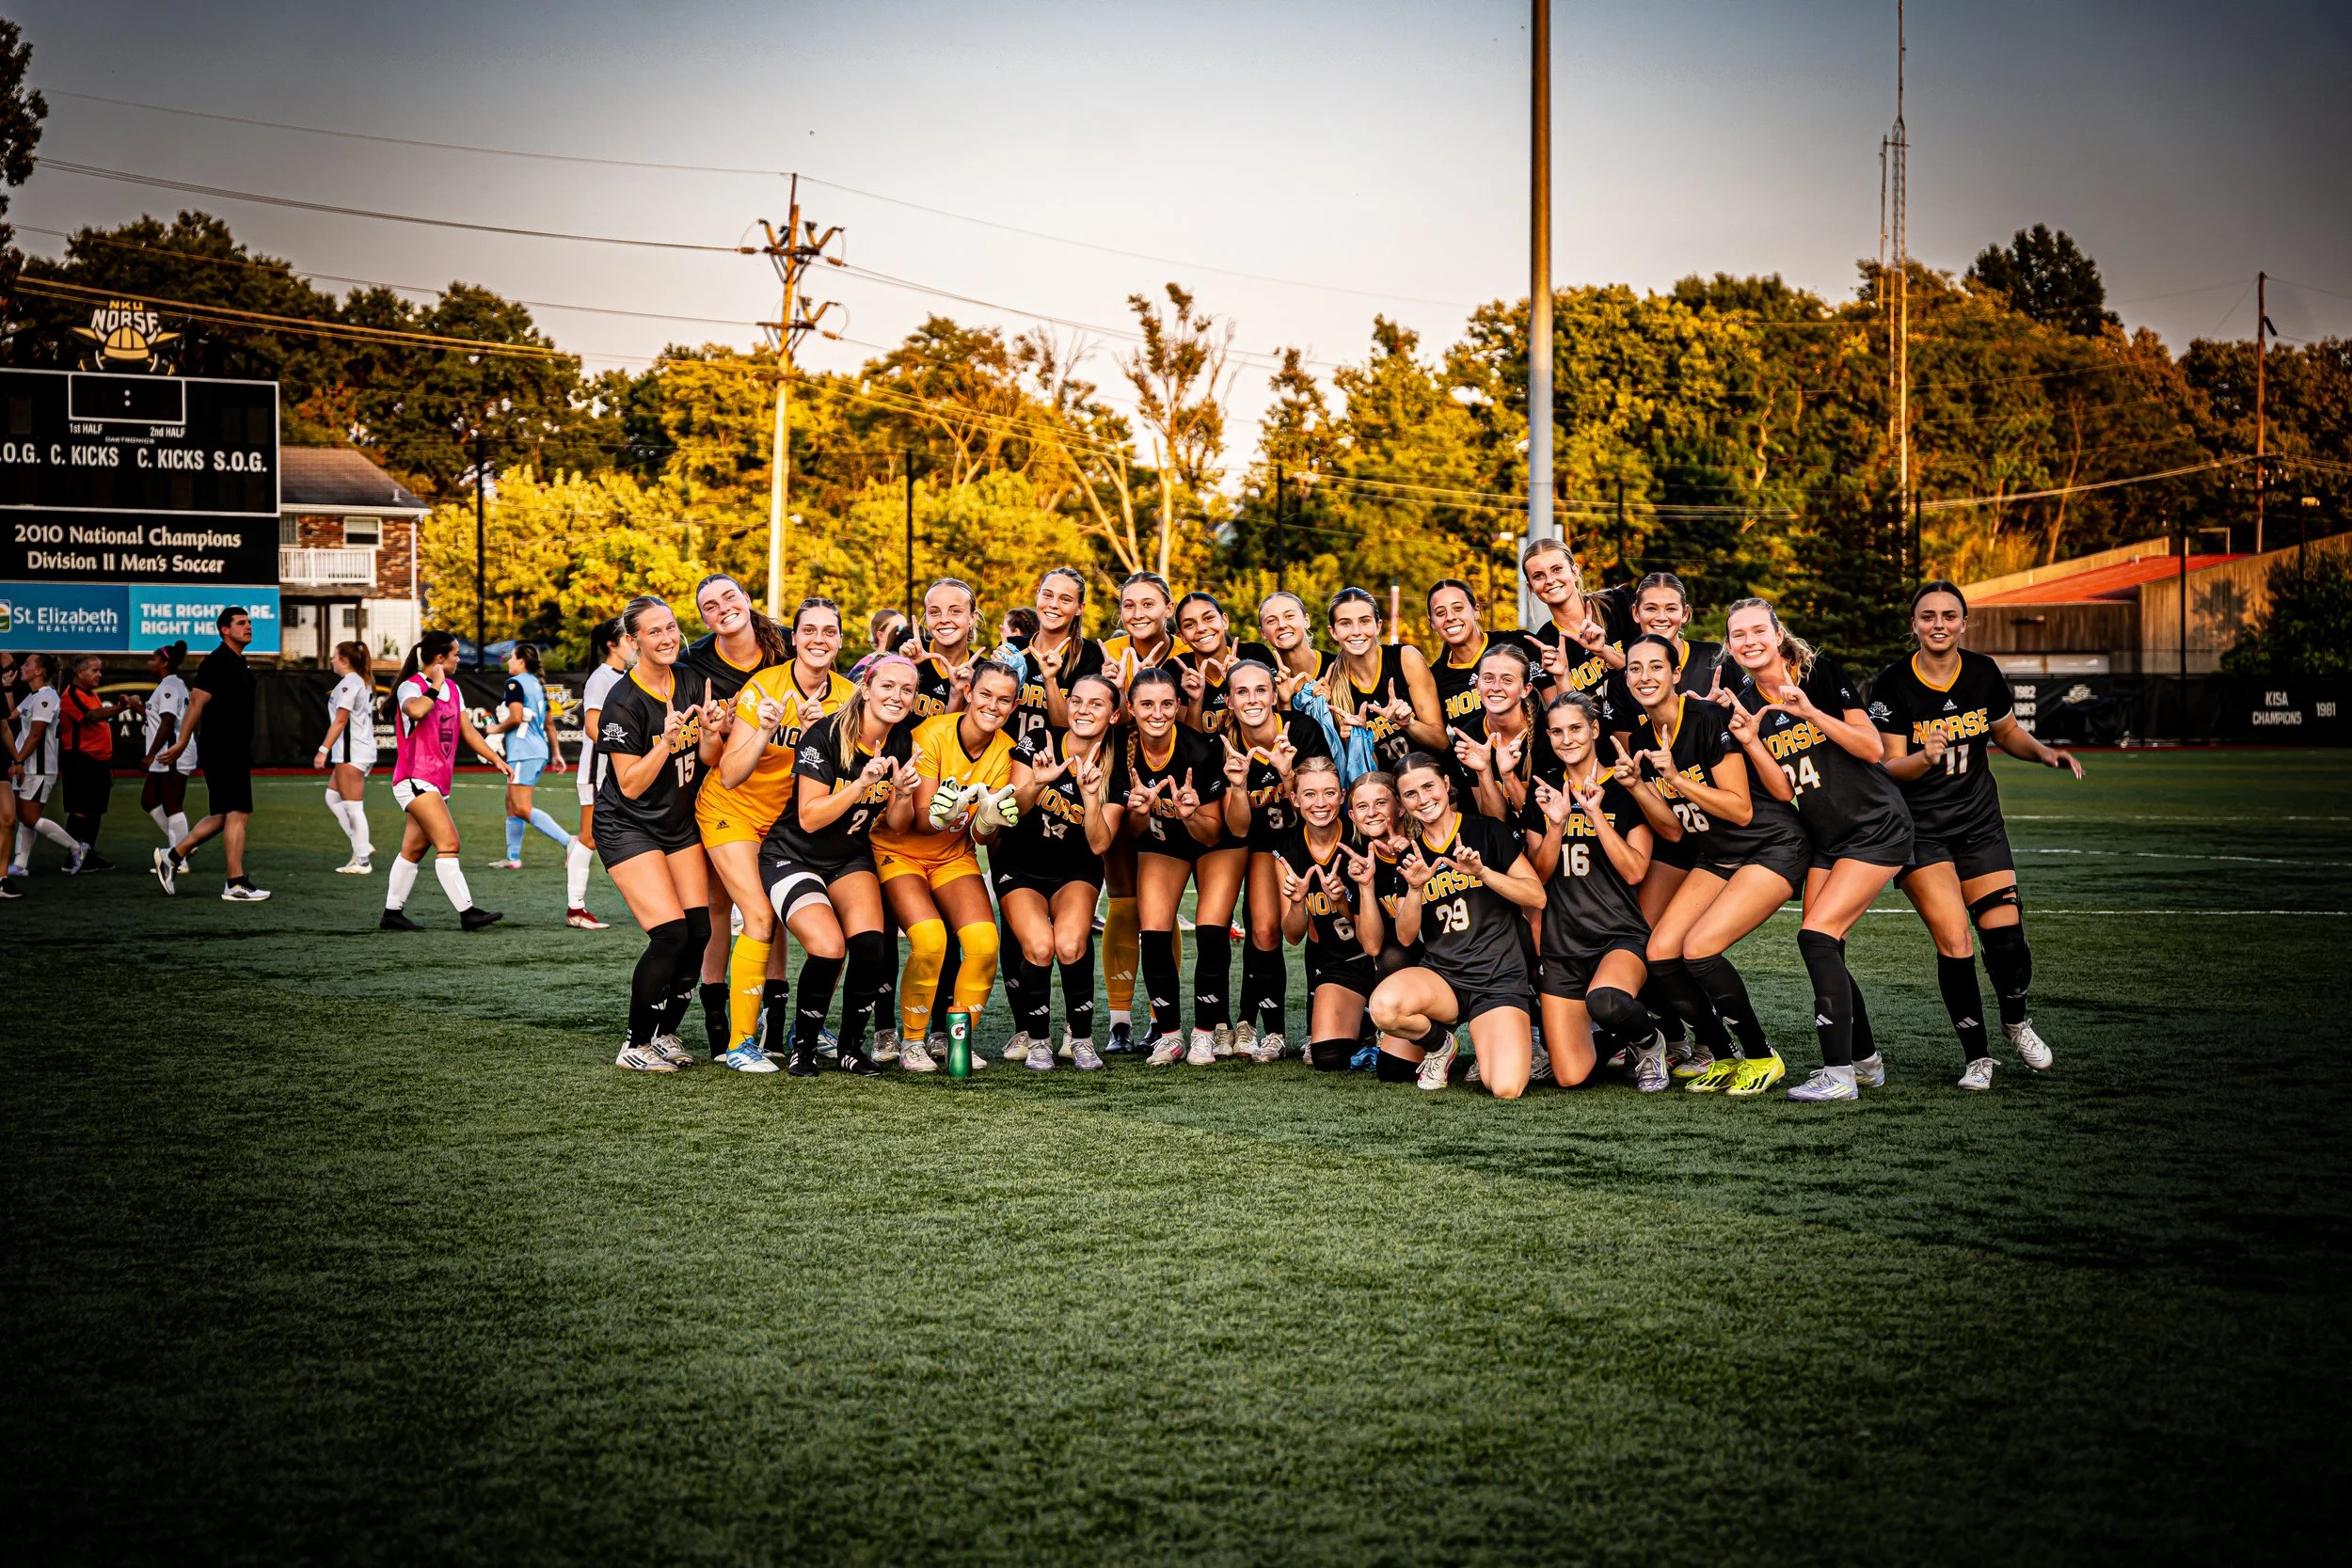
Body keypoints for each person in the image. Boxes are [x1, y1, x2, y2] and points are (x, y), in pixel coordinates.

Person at [1871, 581, 2083, 1089]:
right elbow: (1887, 767)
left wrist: (2045, 752)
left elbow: (2006, 733)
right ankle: (1977, 1058)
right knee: (1957, 941)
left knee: (2006, 940)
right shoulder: (1892, 683)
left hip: (1979, 824)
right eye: (1927, 616)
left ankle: (2017, 1021)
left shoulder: (1984, 672)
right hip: (1921, 833)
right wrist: (1923, 757)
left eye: (1949, 615)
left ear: (1964, 623)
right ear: (1914, 624)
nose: (1938, 624)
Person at [1721, 598, 1914, 1102]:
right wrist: (1751, 740)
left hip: (1875, 824)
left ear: (1777, 632)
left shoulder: (1819, 673)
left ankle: (1839, 1075)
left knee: (1816, 936)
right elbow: (1784, 792)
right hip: (1829, 838)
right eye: (1738, 634)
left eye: (1758, 630)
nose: (1749, 641)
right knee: (1827, 946)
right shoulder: (1746, 699)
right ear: (1729, 645)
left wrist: (1809, 712)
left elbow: (1872, 749)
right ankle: (1865, 1061)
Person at [1613, 633, 1806, 1096]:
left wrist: (1677, 779)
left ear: (1676, 673)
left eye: (1656, 667)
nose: (1645, 677)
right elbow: (1675, 831)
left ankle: (1762, 1055)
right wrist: (1641, 786)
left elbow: (1740, 808)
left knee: (1699, 948)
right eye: (1634, 668)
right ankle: (1722, 1053)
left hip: (1770, 845)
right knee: (1660, 953)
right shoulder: (1642, 737)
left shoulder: (1706, 718)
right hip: (1718, 853)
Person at [751, 655, 925, 1075]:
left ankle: (849, 1047)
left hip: (848, 856)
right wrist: (863, 784)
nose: (896, 696)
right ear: (866, 688)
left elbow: (899, 827)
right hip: (793, 854)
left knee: (871, 947)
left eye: (907, 690)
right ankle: (803, 1045)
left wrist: (900, 794)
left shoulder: (901, 741)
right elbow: (809, 817)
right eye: (887, 686)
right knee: (829, 949)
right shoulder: (824, 734)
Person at [702, 597, 854, 1067]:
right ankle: (739, 1044)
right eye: (809, 630)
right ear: (795, 637)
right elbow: (729, 774)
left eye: (829, 632)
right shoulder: (764, 686)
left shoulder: (849, 696)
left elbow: (847, 772)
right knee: (760, 917)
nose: (818, 640)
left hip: (790, 826)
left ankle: (796, 1024)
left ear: (841, 641)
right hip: (734, 812)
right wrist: (766, 729)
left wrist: (819, 736)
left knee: (835, 928)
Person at [596, 594, 731, 1073]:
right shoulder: (623, 702)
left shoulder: (692, 679)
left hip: (677, 825)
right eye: (654, 632)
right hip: (627, 826)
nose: (668, 637)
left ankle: (665, 1034)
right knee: (670, 933)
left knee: (699, 931)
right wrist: (668, 742)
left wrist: (715, 729)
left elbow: (711, 757)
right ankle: (635, 1043)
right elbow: (630, 785)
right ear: (633, 642)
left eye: (671, 627)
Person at [869, 659, 1024, 1072]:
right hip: (899, 849)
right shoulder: (932, 734)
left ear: (1014, 705)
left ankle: (957, 1038)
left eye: (1004, 699)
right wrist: (946, 812)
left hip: (953, 856)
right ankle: (913, 1041)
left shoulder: (1006, 751)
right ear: (969, 692)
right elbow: (921, 822)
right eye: (986, 694)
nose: (993, 705)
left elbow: (981, 837)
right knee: (931, 938)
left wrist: (989, 822)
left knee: (983, 944)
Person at [1368, 752, 1548, 1096]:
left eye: (1429, 787)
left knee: (1506, 1087)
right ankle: (1441, 1045)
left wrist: (1482, 873)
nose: (1423, 799)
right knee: (1384, 1007)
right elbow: (1406, 937)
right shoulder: (1411, 854)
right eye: (1411, 794)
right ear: (1402, 804)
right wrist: (1416, 888)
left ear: (1446, 785)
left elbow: (1536, 896)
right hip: (1444, 978)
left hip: (1497, 978)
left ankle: (1498, 1041)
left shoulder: (1485, 830)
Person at [684, 574, 792, 1058]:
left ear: (747, 601)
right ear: (704, 618)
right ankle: (715, 1011)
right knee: (717, 905)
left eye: (730, 596)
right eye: (710, 605)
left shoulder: (788, 646)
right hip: (726, 800)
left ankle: (774, 1014)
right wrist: (716, 733)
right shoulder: (696, 664)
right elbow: (709, 756)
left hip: (784, 800)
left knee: (777, 911)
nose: (723, 608)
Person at [1528, 692, 1659, 1089]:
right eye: (1556, 731)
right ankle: (1609, 1037)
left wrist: (1595, 814)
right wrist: (1556, 825)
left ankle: (1649, 1043)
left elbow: (1636, 870)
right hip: (1563, 943)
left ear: (1595, 729)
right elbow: (1538, 876)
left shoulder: (1624, 787)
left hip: (1617, 934)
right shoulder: (1544, 790)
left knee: (1607, 1000)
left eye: (1575, 729)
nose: (1566, 739)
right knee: (1570, 1077)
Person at [1116, 667, 1243, 1066]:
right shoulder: (1118, 747)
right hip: (1162, 842)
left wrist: (1188, 814)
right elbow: (1134, 830)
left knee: (1209, 930)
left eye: (1167, 703)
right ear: (1131, 708)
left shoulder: (1199, 751)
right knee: (1152, 932)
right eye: (1147, 704)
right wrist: (1138, 810)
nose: (1158, 712)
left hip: (1214, 841)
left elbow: (1212, 832)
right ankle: (1169, 1035)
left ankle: (1205, 1032)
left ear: (1178, 706)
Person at [997, 671, 1123, 1070]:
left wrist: (1089, 796)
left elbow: (1100, 843)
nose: (1083, 709)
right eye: (1077, 701)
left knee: (1070, 945)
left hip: (1075, 869)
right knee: (1039, 946)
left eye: (1096, 703)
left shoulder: (1117, 763)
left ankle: (1080, 1038)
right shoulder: (1040, 740)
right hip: (1019, 865)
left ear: (1114, 715)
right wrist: (1038, 782)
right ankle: (1036, 1041)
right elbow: (1011, 813)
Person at [1223, 658, 1330, 1060]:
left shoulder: (1301, 730)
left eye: (1260, 690)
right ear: (1230, 702)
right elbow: (1236, 827)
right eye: (1242, 692)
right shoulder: (1226, 740)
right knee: (1265, 931)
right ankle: (1274, 1031)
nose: (1253, 699)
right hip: (1261, 845)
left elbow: (1321, 806)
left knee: (1314, 930)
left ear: (1273, 694)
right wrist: (1236, 787)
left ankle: (1322, 1028)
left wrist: (1287, 777)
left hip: (1309, 838)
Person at [377, 631, 509, 934]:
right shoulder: (412, 686)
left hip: (436, 782)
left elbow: (468, 732)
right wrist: (434, 684)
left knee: (412, 851)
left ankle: (392, 914)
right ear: (439, 660)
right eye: (454, 655)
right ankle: (467, 913)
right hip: (414, 779)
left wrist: (495, 758)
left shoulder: (454, 688)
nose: (459, 659)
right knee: (449, 843)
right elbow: (417, 710)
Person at [1274, 756, 1386, 1070]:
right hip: (1338, 962)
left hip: (1383, 958)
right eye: (1309, 794)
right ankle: (1363, 1024)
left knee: (1397, 1062)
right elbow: (1293, 936)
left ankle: (1381, 1016)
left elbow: (1373, 940)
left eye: (1329, 793)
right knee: (1326, 1058)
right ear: (1294, 799)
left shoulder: (1363, 838)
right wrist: (1297, 902)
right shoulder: (1288, 851)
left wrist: (1342, 904)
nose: (1320, 803)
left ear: (1342, 795)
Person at [151, 608, 269, 902]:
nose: (248, 627)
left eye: (250, 622)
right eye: (241, 623)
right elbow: (195, 704)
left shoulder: (239, 663)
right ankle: (235, 883)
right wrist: (181, 742)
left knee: (222, 816)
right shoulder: (216, 662)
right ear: (224, 630)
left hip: (234, 748)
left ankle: (172, 857)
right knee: (238, 812)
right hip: (223, 748)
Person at [1316, 588, 1443, 773]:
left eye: (1364, 621)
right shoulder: (1334, 686)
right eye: (1345, 624)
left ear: (1378, 625)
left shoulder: (1405, 659)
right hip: (1384, 792)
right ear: (1333, 632)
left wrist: (1408, 723)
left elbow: (1440, 742)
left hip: (1434, 781)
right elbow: (1359, 772)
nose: (1356, 631)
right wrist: (1359, 741)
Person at [485, 643, 582, 884]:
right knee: (511, 804)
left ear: (520, 661)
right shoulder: (537, 686)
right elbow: (549, 724)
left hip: (524, 753)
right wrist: (556, 753)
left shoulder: (514, 683)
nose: (508, 662)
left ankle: (569, 842)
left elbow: (516, 717)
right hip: (535, 751)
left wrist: (494, 728)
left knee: (520, 806)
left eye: (511, 658)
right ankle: (513, 857)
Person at [565, 617, 630, 929]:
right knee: (589, 837)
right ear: (611, 644)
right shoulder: (601, 678)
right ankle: (575, 909)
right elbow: (593, 728)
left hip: (619, 770)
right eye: (628, 638)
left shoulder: (625, 676)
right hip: (598, 770)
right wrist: (627, 745)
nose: (634, 643)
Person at [1520, 537, 1638, 699]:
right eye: (1539, 576)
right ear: (1531, 587)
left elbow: (1652, 673)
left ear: (1575, 571)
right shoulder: (1542, 647)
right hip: (1593, 724)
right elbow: (1563, 718)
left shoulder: (1615, 604)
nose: (1550, 580)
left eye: (1557, 569)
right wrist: (1561, 676)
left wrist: (1604, 652)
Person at [58, 655, 138, 871]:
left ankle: (87, 854)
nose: (99, 675)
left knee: (94, 811)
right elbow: (92, 716)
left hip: (97, 762)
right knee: (81, 810)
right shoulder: (71, 694)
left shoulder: (90, 693)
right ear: (79, 672)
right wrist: (123, 707)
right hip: (80, 760)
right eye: (94, 670)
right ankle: (73, 856)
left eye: (100, 670)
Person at [1425, 578, 1541, 728]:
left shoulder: (1520, 643)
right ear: (1432, 623)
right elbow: (1438, 739)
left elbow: (1556, 703)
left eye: (1458, 608)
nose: (1450, 617)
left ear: (1476, 610)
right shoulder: (1435, 679)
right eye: (1440, 613)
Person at [8, 654, 81, 876]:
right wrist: (6, 688)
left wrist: (18, 760)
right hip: (26, 764)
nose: (22, 667)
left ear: (39, 671)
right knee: (24, 816)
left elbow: (36, 734)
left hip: (38, 766)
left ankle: (77, 847)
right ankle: (20, 865)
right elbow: (10, 715)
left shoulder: (46, 696)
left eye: (27, 664)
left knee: (29, 817)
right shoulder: (33, 696)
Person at [314, 641, 379, 874]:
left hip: (353, 753)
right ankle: (360, 845)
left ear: (344, 660)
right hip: (355, 751)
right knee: (332, 797)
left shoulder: (350, 683)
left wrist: (323, 750)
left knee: (353, 807)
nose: (332, 660)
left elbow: (341, 721)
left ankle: (362, 860)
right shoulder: (358, 681)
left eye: (334, 656)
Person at [1171, 591, 1273, 736]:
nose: (1201, 628)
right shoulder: (1176, 670)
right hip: (1206, 759)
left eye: (1208, 618)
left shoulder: (1256, 655)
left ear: (1224, 620)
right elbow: (1190, 748)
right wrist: (1195, 700)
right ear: (1182, 637)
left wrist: (1240, 680)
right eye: (1189, 625)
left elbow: (1273, 724)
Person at [139, 641, 197, 860]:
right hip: (165, 754)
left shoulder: (170, 686)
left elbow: (167, 722)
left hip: (171, 753)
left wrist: (150, 755)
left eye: (153, 659)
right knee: (149, 800)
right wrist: (134, 705)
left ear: (164, 662)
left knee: (172, 804)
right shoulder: (168, 684)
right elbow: (157, 718)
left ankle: (179, 857)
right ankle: (184, 845)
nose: (149, 663)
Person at [1631, 572, 1724, 696]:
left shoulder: (1714, 656)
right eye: (1651, 609)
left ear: (1685, 614)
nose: (1661, 617)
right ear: (1636, 613)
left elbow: (1750, 706)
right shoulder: (1627, 670)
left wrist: (1724, 708)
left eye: (1671, 609)